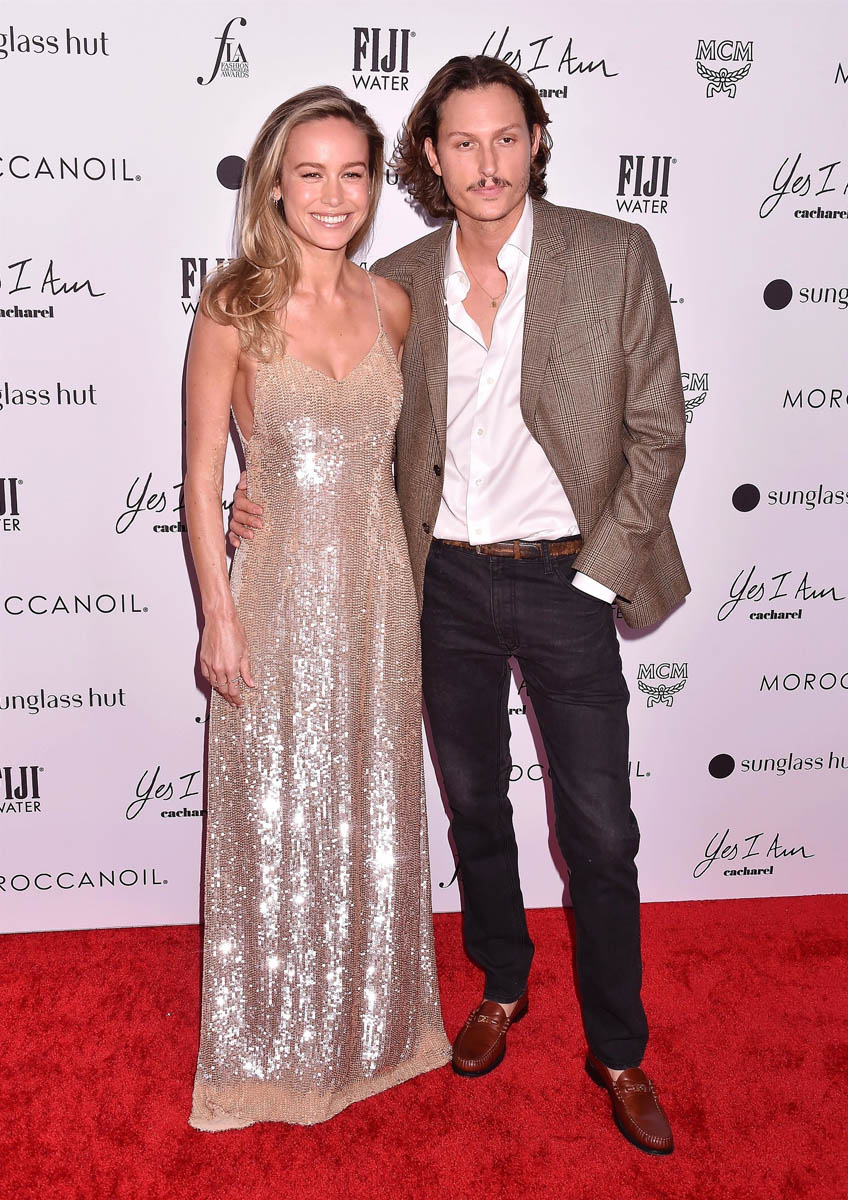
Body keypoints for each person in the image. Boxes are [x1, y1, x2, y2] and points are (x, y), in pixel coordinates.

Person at [229, 56, 688, 1154]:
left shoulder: (614, 254)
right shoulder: (393, 282)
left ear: (536, 141)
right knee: (474, 805)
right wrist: (261, 482)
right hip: (439, 585)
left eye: (506, 138)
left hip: (569, 576)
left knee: (600, 829)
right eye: (463, 143)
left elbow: (658, 432)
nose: (488, 164)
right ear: (431, 157)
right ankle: (501, 984)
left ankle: (619, 1049)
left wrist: (596, 575)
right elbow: (337, 417)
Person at [184, 85, 450, 1131]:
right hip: (279, 588)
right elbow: (201, 476)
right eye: (311, 173)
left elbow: (413, 456)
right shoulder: (232, 308)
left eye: (352, 173)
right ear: (274, 186)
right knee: (276, 812)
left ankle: (379, 1030)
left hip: (379, 590)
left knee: (371, 811)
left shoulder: (394, 306)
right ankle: (269, 1046)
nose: (333, 194)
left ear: (373, 185)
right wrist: (218, 611)